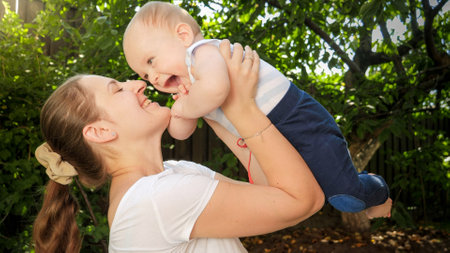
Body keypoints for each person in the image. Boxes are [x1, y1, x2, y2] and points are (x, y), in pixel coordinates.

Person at [32, 42, 324, 252]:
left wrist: (214, 108)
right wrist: (242, 108)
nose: (137, 84)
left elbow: (269, 188)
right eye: (118, 89)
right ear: (100, 131)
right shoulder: (156, 199)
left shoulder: (174, 175)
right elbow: (302, 200)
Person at [122, 1, 392, 218]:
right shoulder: (192, 88)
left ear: (183, 36)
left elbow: (216, 89)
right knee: (302, 190)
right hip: (270, 138)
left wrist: (188, 105)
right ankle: (360, 192)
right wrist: (179, 111)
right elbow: (181, 133)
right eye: (145, 74)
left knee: (346, 197)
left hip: (299, 120)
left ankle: (375, 189)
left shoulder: (202, 54)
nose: (153, 77)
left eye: (151, 61)